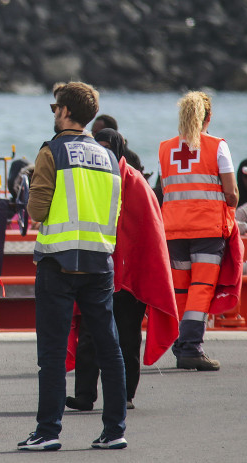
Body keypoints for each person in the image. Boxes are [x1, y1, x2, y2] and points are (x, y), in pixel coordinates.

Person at [18, 82, 127, 451]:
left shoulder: (52, 151)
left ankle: (48, 432)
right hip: (99, 262)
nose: (53, 113)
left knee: (51, 353)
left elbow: (36, 210)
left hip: (58, 262)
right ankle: (114, 431)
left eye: (54, 108)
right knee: (109, 348)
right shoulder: (109, 157)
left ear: (65, 111)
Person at [66, 128, 178, 412]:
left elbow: (150, 237)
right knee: (89, 338)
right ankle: (84, 396)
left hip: (129, 281)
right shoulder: (86, 181)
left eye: (107, 147)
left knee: (127, 339)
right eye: (98, 147)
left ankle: (126, 395)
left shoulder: (137, 184)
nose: (103, 152)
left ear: (118, 149)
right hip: (96, 273)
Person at [158, 91, 239, 371]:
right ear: (209, 117)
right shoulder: (217, 146)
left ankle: (181, 344)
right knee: (201, 288)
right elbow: (231, 193)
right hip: (206, 229)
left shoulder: (165, 148)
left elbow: (165, 189)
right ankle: (191, 347)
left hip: (173, 230)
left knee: (180, 289)